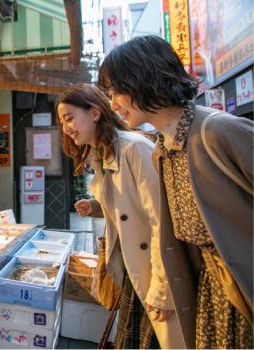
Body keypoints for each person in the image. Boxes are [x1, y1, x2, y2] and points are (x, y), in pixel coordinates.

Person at [98, 35, 253, 349]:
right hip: (211, 294)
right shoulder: (164, 148)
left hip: (241, 290)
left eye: (116, 92)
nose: (113, 104)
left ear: (142, 79)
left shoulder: (215, 131)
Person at [57, 83, 185, 348]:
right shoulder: (103, 154)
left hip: (155, 274)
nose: (66, 127)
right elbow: (131, 208)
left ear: (94, 113)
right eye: (62, 122)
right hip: (133, 270)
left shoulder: (134, 149)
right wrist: (98, 206)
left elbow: (162, 220)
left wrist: (163, 291)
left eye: (69, 118)